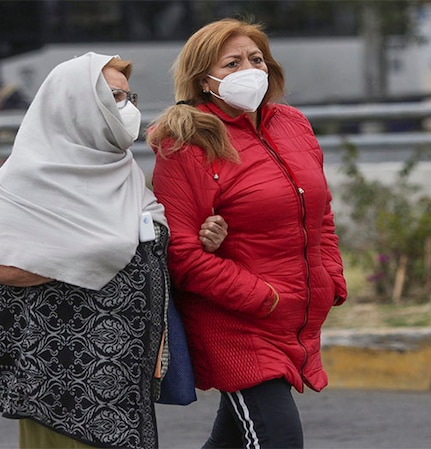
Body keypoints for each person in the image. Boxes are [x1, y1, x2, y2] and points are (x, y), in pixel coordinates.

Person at [0, 51, 227, 449]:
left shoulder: (121, 169)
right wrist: (98, 252)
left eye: (128, 97)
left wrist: (198, 235)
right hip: (59, 382)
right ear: (76, 103)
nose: (125, 108)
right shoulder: (29, 173)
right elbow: (1, 267)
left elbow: (144, 243)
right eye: (113, 96)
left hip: (123, 376)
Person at [147, 18, 347, 449]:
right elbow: (182, 253)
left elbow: (320, 212)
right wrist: (262, 297)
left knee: (235, 440)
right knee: (278, 440)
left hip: (294, 313)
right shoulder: (185, 141)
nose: (248, 71)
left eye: (255, 59)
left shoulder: (292, 124)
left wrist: (331, 277)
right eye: (232, 63)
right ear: (204, 79)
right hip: (237, 322)